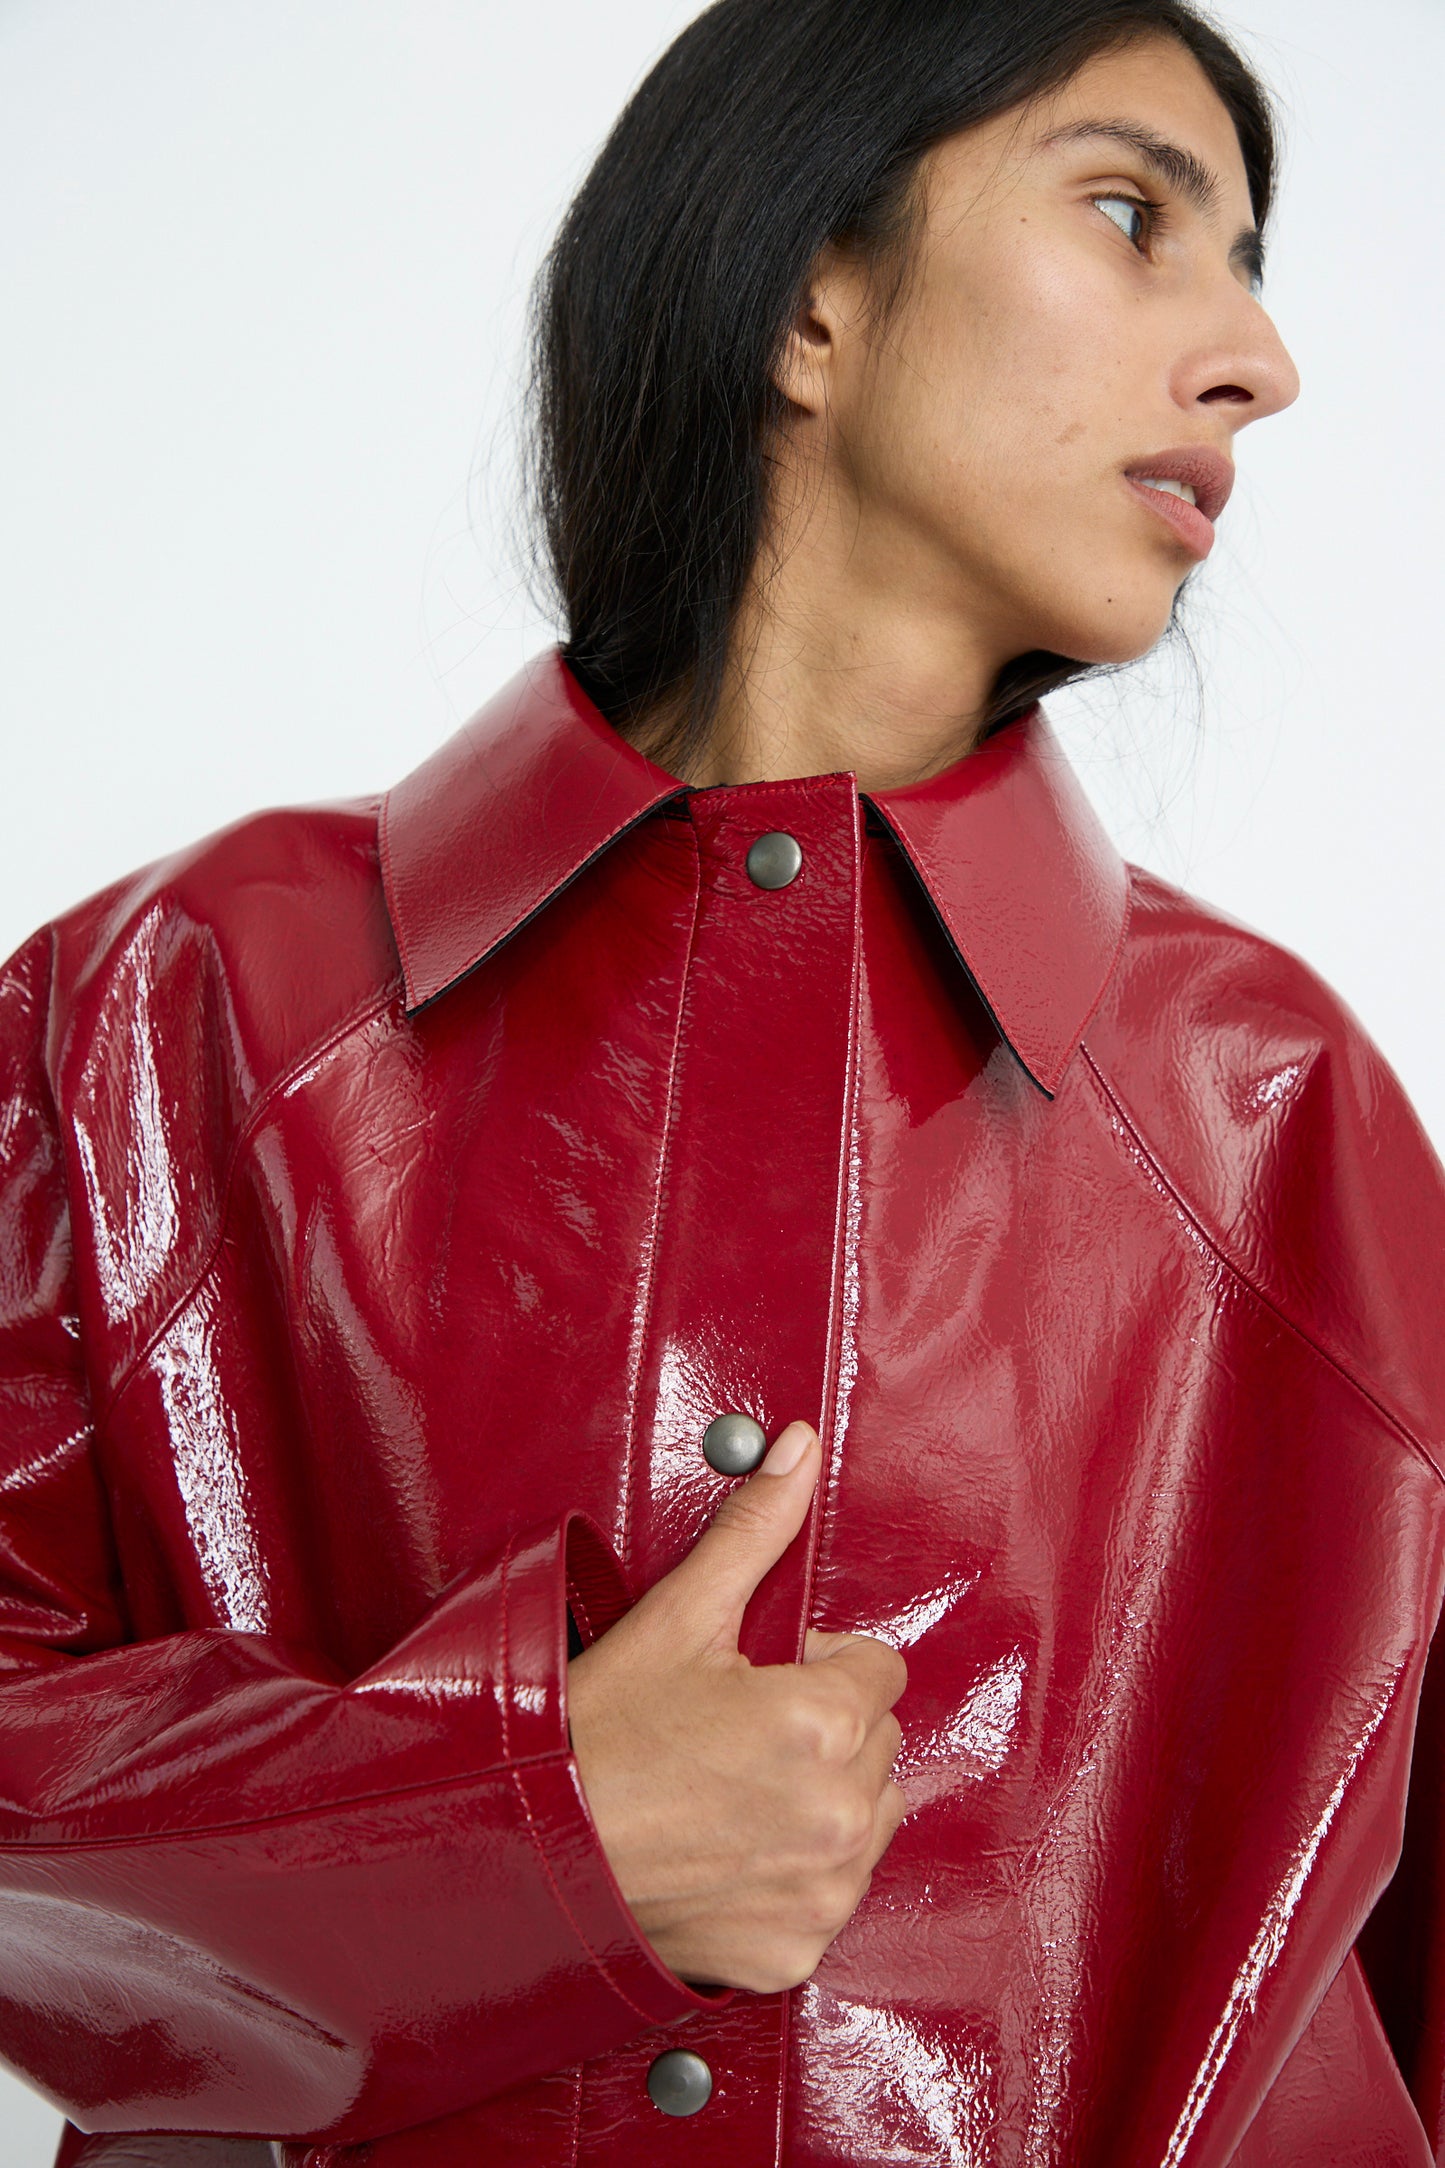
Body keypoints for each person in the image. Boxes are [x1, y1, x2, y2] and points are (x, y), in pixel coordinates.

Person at [3, 0, 1444, 2162]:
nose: (1258, 357)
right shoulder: (165, 1007)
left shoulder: (1274, 1112)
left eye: (1253, 268)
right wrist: (515, 1820)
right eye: (1137, 214)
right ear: (811, 289)